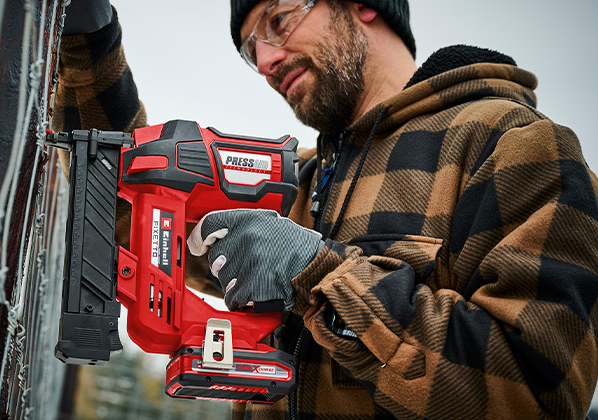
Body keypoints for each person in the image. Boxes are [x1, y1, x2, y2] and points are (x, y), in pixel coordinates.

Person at [54, 0, 598, 418]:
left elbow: (532, 395)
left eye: (278, 20)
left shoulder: (514, 146)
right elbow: (131, 210)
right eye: (250, 50)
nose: (265, 61)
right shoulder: (301, 182)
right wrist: (91, 44)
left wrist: (315, 272)